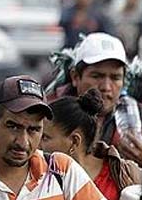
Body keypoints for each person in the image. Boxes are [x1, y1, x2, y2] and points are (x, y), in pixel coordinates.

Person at [50, 32, 142, 166]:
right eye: (96, 76)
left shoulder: (135, 116)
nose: (106, 87)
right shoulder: (49, 114)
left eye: (115, 77)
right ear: (75, 77)